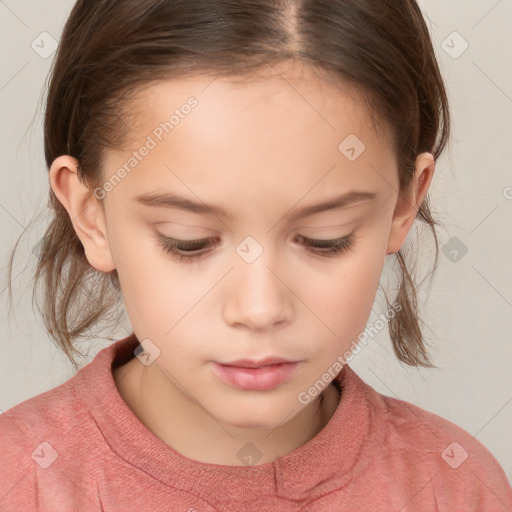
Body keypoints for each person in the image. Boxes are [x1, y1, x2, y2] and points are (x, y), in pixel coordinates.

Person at [1, 0, 511, 510]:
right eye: (189, 241)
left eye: (325, 238)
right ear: (92, 215)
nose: (260, 308)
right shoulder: (20, 481)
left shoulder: (455, 487)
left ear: (403, 205)